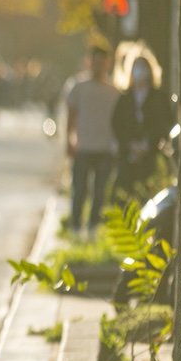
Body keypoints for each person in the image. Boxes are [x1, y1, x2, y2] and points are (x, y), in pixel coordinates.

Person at [64, 43, 121, 233]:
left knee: (99, 192)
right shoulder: (78, 87)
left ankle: (93, 229)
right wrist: (69, 141)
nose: (98, 66)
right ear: (89, 63)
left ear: (107, 64)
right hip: (83, 147)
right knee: (79, 190)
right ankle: (75, 226)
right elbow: (71, 116)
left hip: (104, 148)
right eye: (95, 61)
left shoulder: (114, 91)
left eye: (102, 62)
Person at [110, 54, 174, 200]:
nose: (139, 71)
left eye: (143, 67)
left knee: (148, 194)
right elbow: (117, 124)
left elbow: (164, 124)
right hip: (128, 157)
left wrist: (148, 144)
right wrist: (130, 145)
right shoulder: (125, 98)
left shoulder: (159, 97)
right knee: (125, 196)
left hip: (152, 156)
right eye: (136, 67)